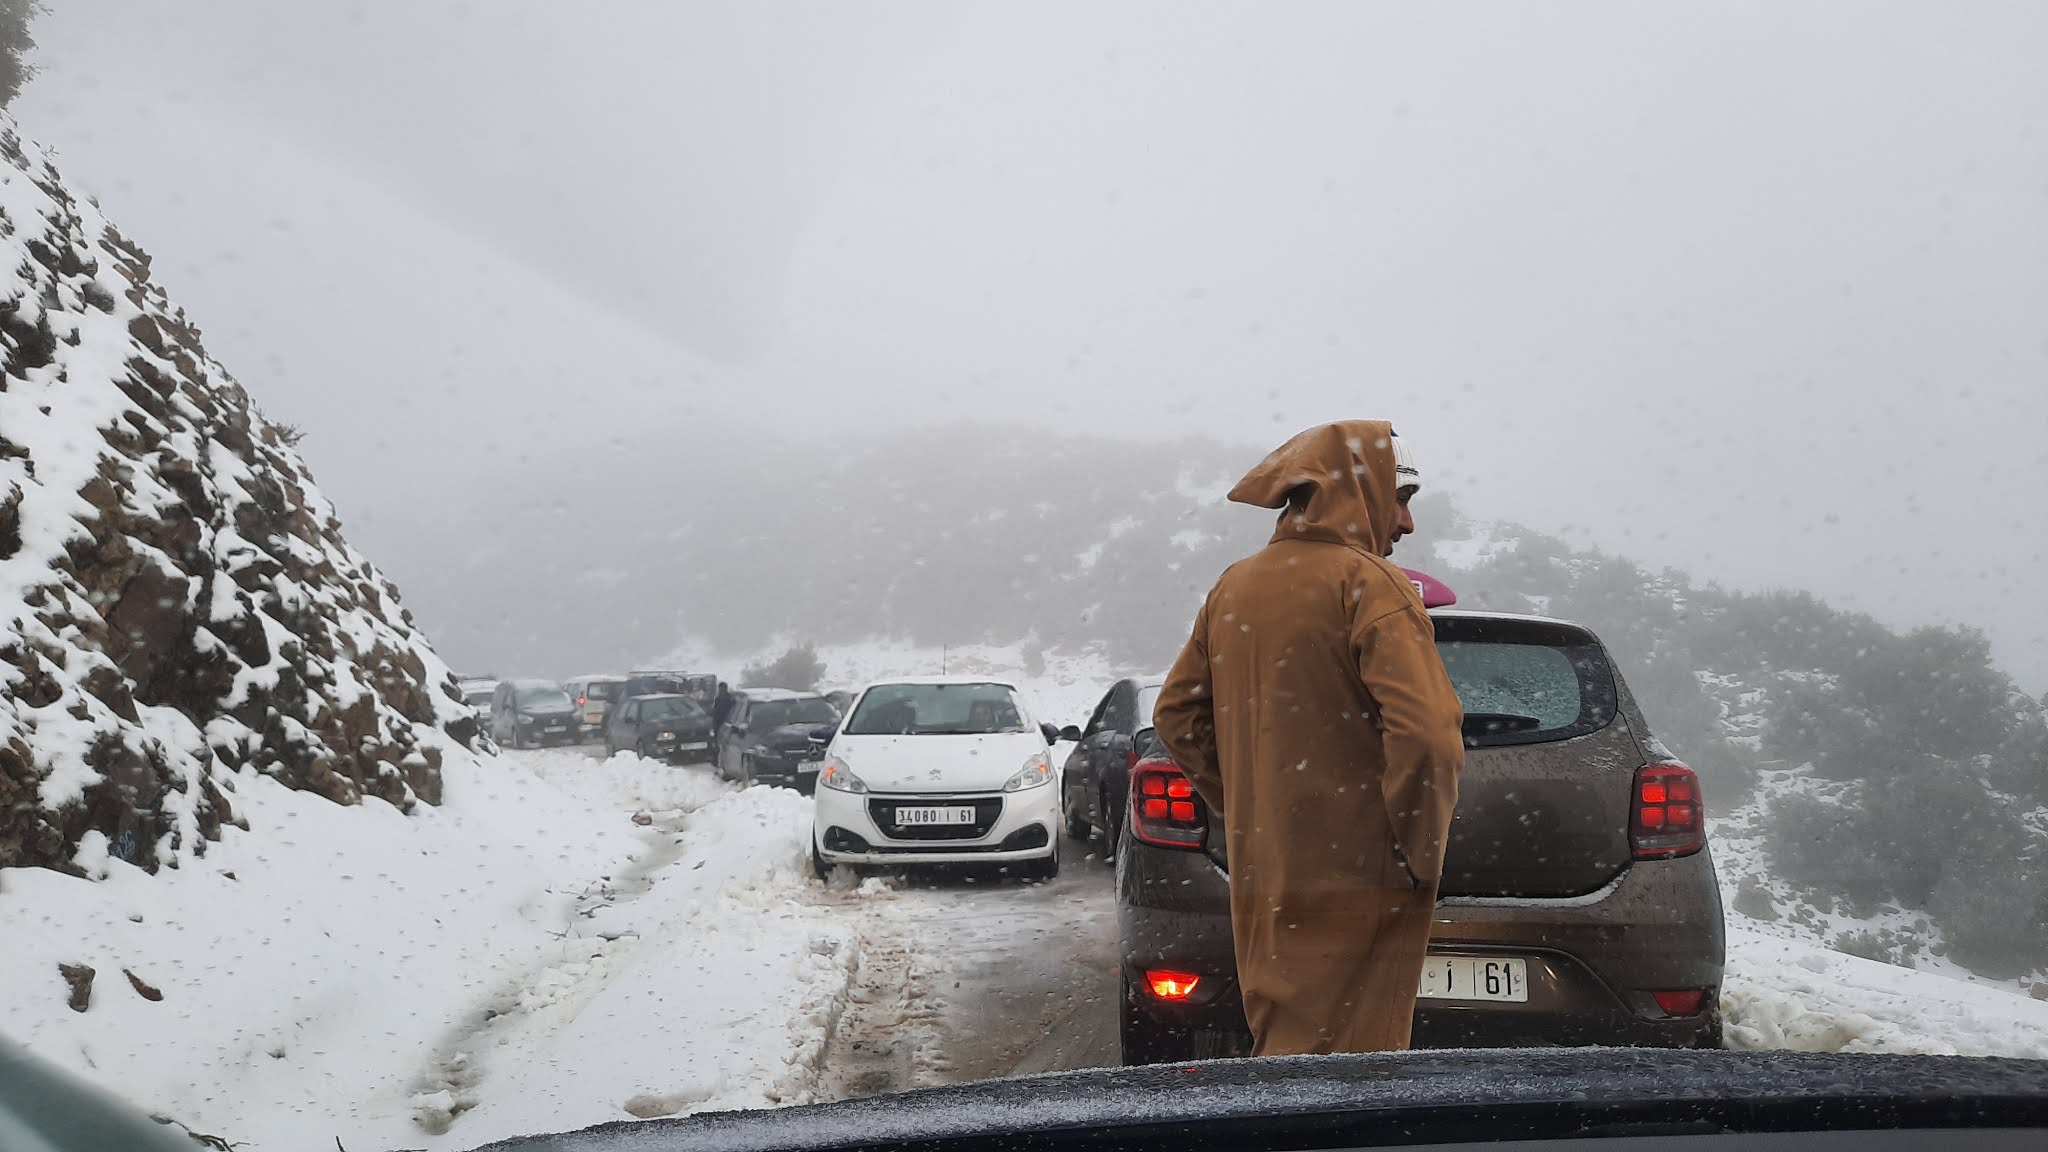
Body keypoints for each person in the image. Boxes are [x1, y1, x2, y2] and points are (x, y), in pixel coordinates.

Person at [1153, 419, 1465, 1056]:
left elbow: (1179, 717)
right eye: (1400, 499)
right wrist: (1414, 845)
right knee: (1353, 1075)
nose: (1406, 524)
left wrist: (1250, 807)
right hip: (1359, 876)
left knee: (1285, 1048)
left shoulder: (1235, 586)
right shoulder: (1369, 585)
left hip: (1264, 868)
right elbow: (1430, 736)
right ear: (1358, 490)